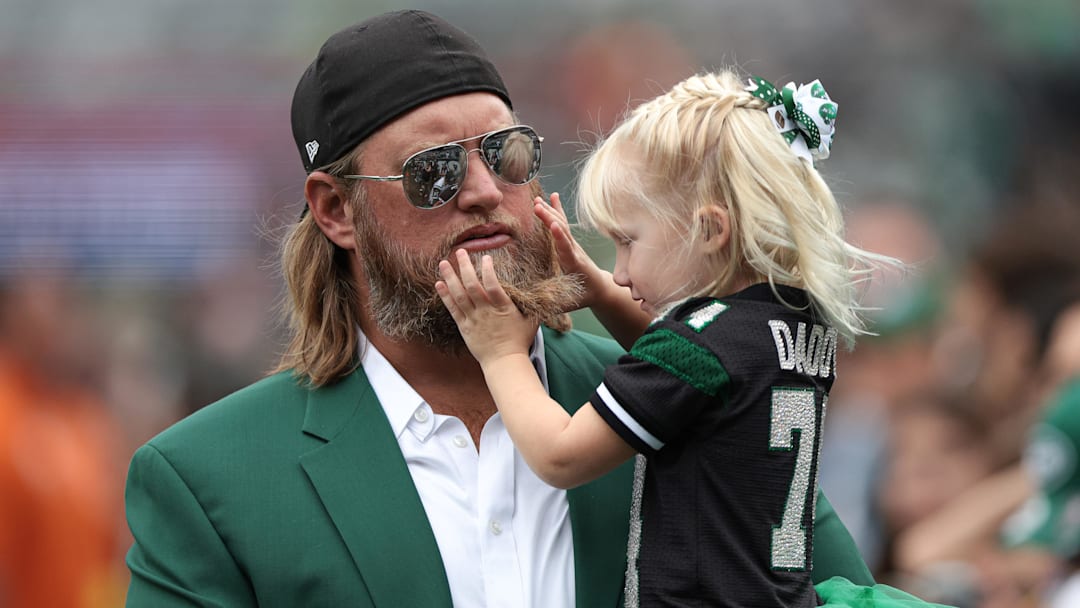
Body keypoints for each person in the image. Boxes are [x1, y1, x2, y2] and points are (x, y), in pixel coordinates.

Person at [123, 11, 875, 607]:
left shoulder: (690, 392)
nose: (484, 189)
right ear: (335, 211)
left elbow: (847, 596)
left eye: (507, 152)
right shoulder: (206, 479)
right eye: (435, 170)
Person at [437, 70, 949, 606]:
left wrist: (499, 351)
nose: (623, 272)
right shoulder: (791, 319)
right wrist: (599, 292)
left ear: (709, 230)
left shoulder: (701, 349)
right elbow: (694, 366)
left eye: (629, 242)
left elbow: (561, 457)